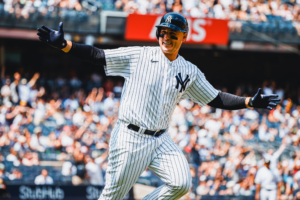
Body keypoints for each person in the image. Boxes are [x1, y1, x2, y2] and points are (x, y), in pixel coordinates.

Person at [37, 13, 280, 200]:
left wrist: (248, 102)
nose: (166, 36)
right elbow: (99, 55)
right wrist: (66, 45)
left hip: (161, 139)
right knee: (113, 196)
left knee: (182, 183)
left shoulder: (189, 70)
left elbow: (215, 98)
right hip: (130, 137)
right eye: (162, 32)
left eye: (173, 33)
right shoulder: (140, 55)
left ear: (183, 37)